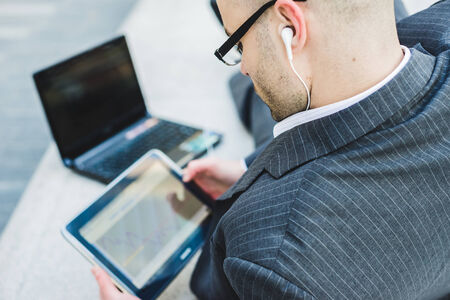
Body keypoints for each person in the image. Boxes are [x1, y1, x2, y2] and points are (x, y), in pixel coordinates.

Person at [92, 0, 450, 299]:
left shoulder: (272, 254)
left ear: (291, 25)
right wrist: (250, 168)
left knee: (271, 93)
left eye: (240, 44)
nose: (245, 65)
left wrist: (262, 183)